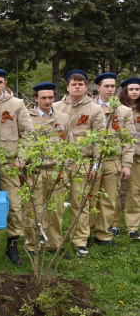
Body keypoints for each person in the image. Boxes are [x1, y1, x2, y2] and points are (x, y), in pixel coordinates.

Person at [53, 69, 105, 257]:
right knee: (56, 202)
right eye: (73, 84)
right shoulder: (56, 107)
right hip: (58, 161)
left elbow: (100, 139)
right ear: (67, 87)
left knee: (80, 202)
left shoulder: (95, 109)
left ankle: (80, 240)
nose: (77, 87)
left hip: (83, 161)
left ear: (85, 87)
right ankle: (54, 238)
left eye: (80, 84)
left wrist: (97, 165)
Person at [0, 69, 32, 265]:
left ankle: (12, 247)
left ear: (5, 83)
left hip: (10, 164)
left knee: (13, 205)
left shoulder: (17, 104)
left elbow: (29, 133)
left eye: (0, 82)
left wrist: (22, 158)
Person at [24, 82, 72, 256]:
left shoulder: (63, 118)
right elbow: (24, 143)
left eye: (51, 97)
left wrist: (66, 171)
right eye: (43, 97)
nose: (47, 101)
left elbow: (69, 145)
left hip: (56, 171)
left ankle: (54, 243)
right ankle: (32, 244)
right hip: (35, 171)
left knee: (56, 210)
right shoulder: (27, 117)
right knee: (33, 210)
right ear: (35, 98)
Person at [89, 73, 134, 246]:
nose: (110, 89)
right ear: (98, 88)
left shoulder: (123, 111)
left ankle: (103, 234)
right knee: (90, 198)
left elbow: (128, 140)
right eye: (106, 86)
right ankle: (85, 233)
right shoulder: (90, 108)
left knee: (109, 199)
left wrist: (127, 164)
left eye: (113, 86)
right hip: (92, 161)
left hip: (113, 161)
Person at [117, 77, 140, 239]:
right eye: (131, 89)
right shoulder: (116, 109)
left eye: (137, 89)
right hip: (118, 155)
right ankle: (112, 224)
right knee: (114, 192)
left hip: (137, 156)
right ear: (125, 91)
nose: (134, 92)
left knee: (134, 192)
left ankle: (132, 226)